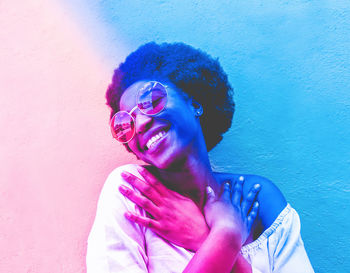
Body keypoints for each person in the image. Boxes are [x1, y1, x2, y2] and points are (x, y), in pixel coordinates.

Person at [86, 42, 314, 273]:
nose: (141, 123)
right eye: (127, 124)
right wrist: (226, 235)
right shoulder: (133, 194)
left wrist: (205, 239)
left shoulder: (258, 198)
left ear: (194, 103)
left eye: (152, 101)